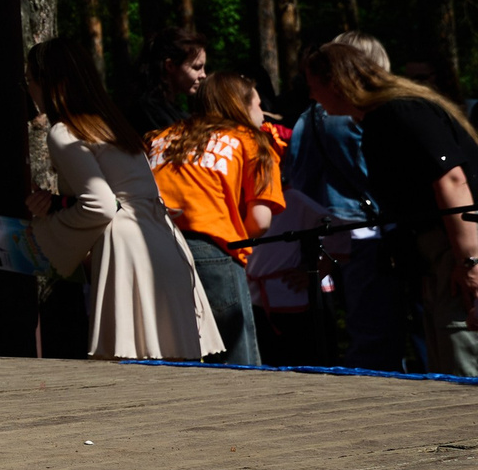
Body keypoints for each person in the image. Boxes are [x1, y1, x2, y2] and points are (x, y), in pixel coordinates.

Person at [23, 36, 220, 362]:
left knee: (132, 377)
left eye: (29, 79)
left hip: (129, 250)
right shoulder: (110, 124)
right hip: (163, 240)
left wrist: (44, 232)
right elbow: (118, 193)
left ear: (46, 81)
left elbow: (99, 205)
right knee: (174, 371)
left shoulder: (64, 131)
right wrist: (59, 203)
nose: (28, 88)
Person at [301, 39, 478, 377]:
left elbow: (452, 180)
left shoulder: (401, 111)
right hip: (439, 249)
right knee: (446, 352)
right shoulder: (383, 117)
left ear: (337, 83)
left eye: (314, 87)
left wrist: (469, 261)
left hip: (456, 242)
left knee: (462, 346)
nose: (312, 97)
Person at [286, 30, 408, 368]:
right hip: (370, 232)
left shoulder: (307, 117)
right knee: (379, 334)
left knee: (361, 331)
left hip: (332, 235)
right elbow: (383, 177)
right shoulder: (358, 117)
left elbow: (299, 182)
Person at [147, 72, 285, 366]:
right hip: (212, 254)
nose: (263, 114)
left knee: (172, 362)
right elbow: (260, 222)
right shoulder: (251, 141)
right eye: (258, 105)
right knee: (234, 364)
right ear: (241, 106)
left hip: (149, 253)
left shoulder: (160, 138)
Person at [127, 26, 208, 142]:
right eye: (196, 68)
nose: (203, 75)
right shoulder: (149, 113)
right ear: (170, 66)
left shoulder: (173, 111)